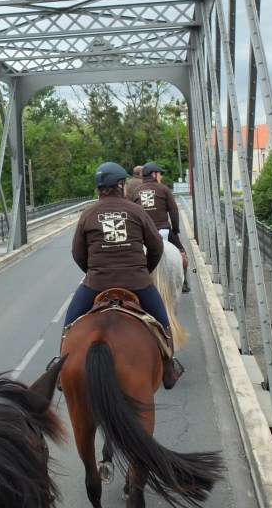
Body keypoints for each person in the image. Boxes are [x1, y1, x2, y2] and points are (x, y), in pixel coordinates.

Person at [60, 161, 183, 389]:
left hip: (96, 285)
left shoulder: (88, 214)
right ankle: (169, 368)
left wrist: (95, 273)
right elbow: (157, 247)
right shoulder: (136, 211)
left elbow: (77, 254)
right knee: (163, 322)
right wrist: (144, 271)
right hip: (137, 284)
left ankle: (61, 368)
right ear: (119, 184)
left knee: (69, 325)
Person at [134, 161, 191, 293]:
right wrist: (176, 230)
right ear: (153, 174)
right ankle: (184, 284)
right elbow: (174, 211)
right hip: (163, 230)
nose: (161, 177)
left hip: (143, 234)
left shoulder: (136, 191)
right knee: (183, 256)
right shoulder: (164, 189)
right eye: (160, 174)